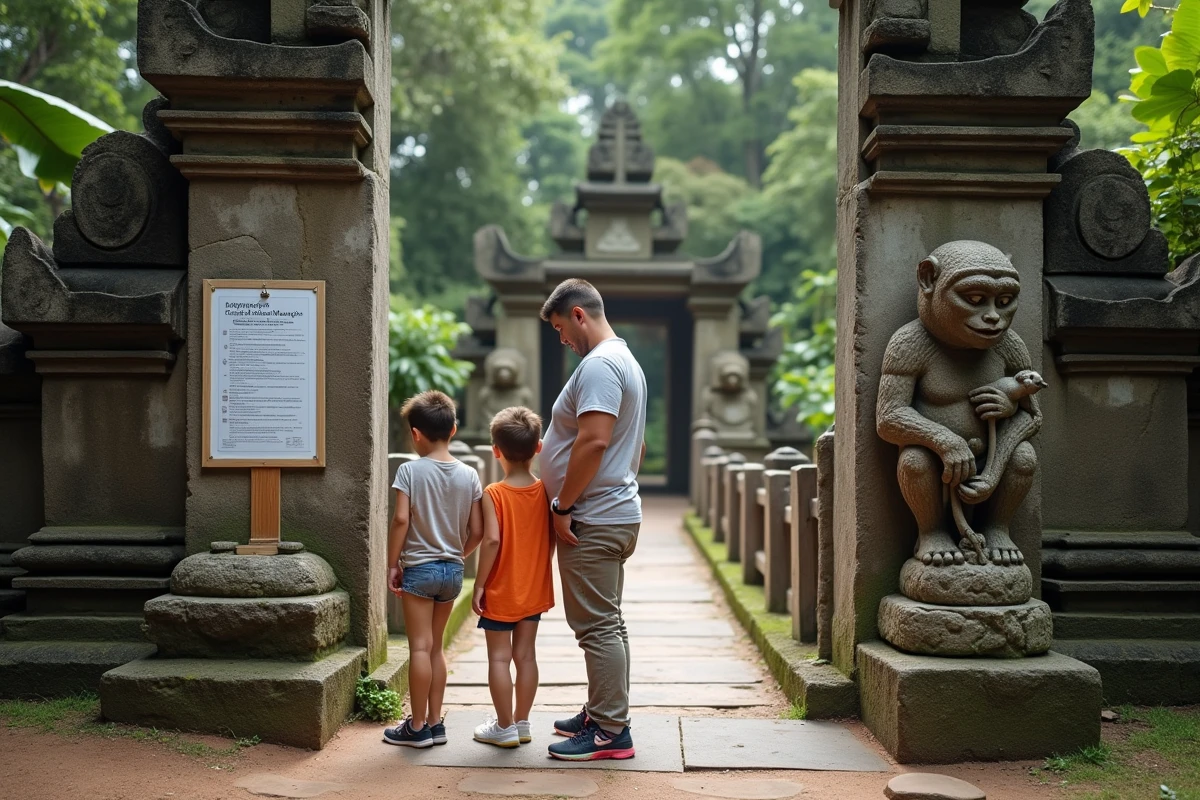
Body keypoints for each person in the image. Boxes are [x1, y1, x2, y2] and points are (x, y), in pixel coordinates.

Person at [538, 279, 647, 762]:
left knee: (596, 626)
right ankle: (604, 710)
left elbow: (595, 440)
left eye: (562, 328)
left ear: (579, 315)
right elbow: (635, 447)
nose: (562, 339)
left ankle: (609, 732)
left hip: (593, 518)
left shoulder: (600, 365)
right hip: (612, 511)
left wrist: (564, 504)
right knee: (609, 623)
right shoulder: (626, 361)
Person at [382, 391, 483, 749]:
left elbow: (400, 520)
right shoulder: (470, 475)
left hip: (420, 571)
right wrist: (458, 553)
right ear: (453, 430)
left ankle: (418, 726)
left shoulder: (409, 470)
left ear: (416, 433)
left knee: (419, 649)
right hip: (452, 573)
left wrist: (393, 563)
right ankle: (436, 723)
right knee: (436, 647)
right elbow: (479, 531)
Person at [470, 406, 556, 749]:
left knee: (499, 658)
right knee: (526, 656)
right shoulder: (546, 491)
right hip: (533, 586)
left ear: (496, 450)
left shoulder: (494, 493)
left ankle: (503, 726)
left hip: (501, 589)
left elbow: (491, 540)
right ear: (538, 448)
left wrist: (479, 584)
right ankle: (521, 722)